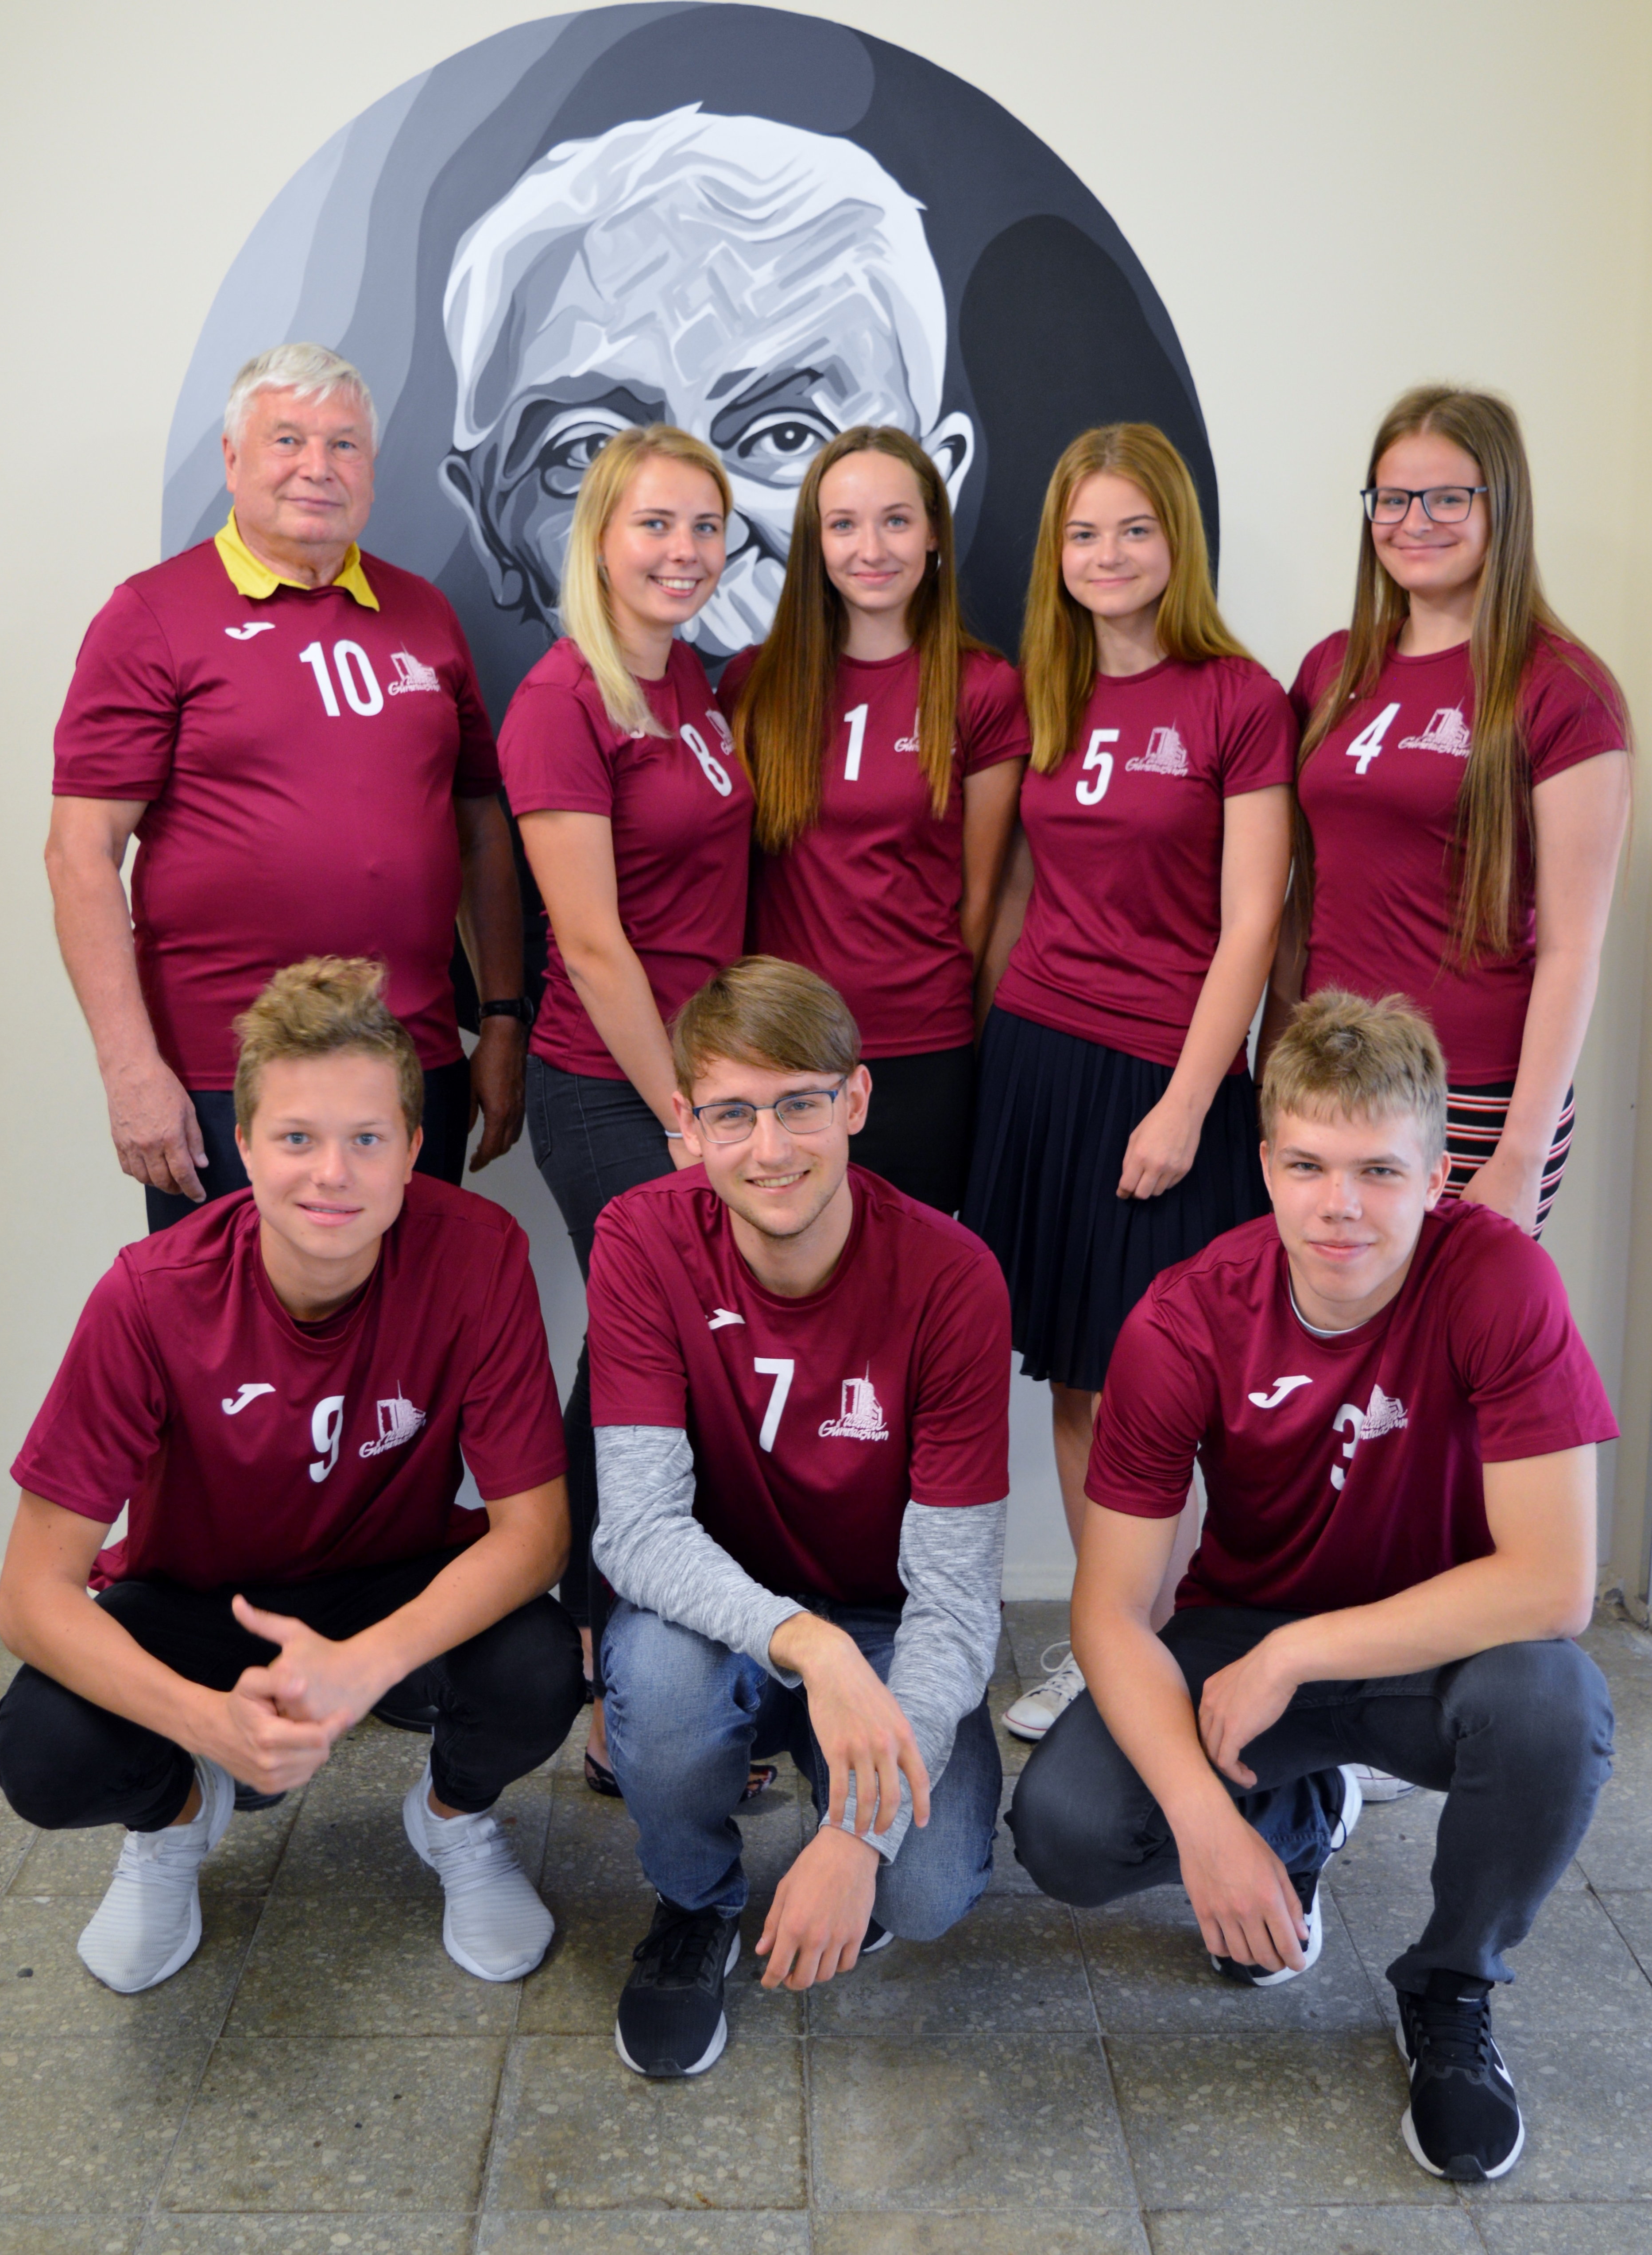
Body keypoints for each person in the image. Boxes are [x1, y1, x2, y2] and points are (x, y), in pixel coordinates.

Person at [1009, 989, 1617, 2185]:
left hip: (1442, 1643)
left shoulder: (1501, 1282)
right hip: (1243, 1630)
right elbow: (1108, 1611)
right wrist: (1206, 1824)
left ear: (1438, 1173)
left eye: (1379, 1170)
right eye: (1309, 1165)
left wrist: (1301, 1654)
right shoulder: (1184, 1318)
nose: (1341, 1204)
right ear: (1266, 1168)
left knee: (1554, 1706)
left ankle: (1450, 1986)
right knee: (1068, 1829)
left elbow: (1555, 1586)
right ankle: (1291, 1823)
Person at [0, 958, 583, 1995]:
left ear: (414, 1149)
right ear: (247, 1145)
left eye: (368, 1139)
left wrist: (366, 1664)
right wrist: (204, 1723)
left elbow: (533, 1534)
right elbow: (32, 1597)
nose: (332, 1174)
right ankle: (176, 1820)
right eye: (298, 1138)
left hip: (389, 1577)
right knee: (44, 1750)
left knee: (540, 1663)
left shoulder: (479, 1253)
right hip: (199, 1598)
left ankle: (453, 1817)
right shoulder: (150, 1295)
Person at [586, 957, 1011, 2077]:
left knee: (925, 1888)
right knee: (660, 1679)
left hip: (887, 1626)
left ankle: (843, 1803)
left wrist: (856, 1840)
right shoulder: (640, 1237)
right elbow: (636, 1531)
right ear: (686, 1125)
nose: (769, 1147)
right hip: (727, 1619)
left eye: (799, 1105)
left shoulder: (953, 1276)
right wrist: (808, 1645)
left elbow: (957, 1604)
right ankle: (695, 1902)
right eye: (732, 1113)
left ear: (855, 1099)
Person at [962, 422, 1295, 1737]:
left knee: (1162, 1384)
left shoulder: (1238, 697)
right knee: (1075, 1379)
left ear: (1176, 541)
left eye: (1133, 529)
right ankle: (1114, 1646)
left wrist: (1186, 1104)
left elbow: (1251, 924)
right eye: (1084, 532)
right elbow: (1020, 891)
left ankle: (1176, 1645)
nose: (1107, 555)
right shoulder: (1043, 690)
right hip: (1038, 1064)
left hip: (1165, 1075)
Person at [47, 344, 530, 1233]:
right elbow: (81, 853)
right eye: (287, 440)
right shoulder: (150, 616)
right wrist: (129, 1069)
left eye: (344, 445)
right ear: (232, 459)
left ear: (372, 471)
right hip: (226, 1073)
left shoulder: (426, 614)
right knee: (234, 1320)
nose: (318, 466)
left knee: (413, 1312)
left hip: (412, 1063)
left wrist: (500, 1015)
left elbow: (478, 826)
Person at [495, 424, 754, 1795]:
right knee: (643, 1372)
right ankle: (607, 1687)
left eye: (706, 525)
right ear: (598, 538)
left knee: (661, 1364)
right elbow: (592, 944)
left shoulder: (691, 680)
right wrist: (679, 1111)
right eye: (656, 524)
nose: (684, 550)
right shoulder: (562, 700)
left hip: (700, 1083)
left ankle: (669, 1657)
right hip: (611, 1088)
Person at [1260, 385, 1630, 1240]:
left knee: (1449, 1326)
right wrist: (1268, 1069)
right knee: (1325, 1325)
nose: (1413, 522)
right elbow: (1302, 899)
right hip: (1322, 1081)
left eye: (1446, 498)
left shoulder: (1561, 689)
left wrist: (1520, 1154)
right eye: (1391, 499)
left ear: (1503, 505)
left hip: (1468, 1096)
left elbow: (1572, 948)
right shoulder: (1330, 669)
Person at [439, 107, 975, 670]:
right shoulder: (560, 714)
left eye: (786, 436)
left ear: (935, 495)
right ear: (488, 525)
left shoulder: (976, 702)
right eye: (592, 447)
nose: (695, 544)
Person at [721, 426, 1028, 1212]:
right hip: (781, 1047)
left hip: (922, 1051)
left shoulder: (983, 688)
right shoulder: (754, 685)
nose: (870, 548)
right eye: (843, 524)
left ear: (932, 534)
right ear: (815, 541)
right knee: (785, 1266)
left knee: (905, 1268)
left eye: (895, 520)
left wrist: (926, 1009)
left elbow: (982, 899)